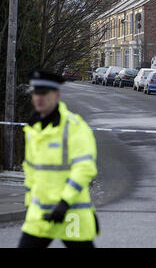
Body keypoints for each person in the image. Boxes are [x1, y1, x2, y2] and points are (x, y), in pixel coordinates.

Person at [18, 70, 99, 248]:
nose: (39, 98)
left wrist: (64, 202)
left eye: (44, 94)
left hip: (71, 214)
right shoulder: (33, 129)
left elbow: (84, 168)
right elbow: (31, 172)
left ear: (57, 95)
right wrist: (28, 205)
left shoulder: (74, 127)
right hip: (40, 216)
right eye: (35, 94)